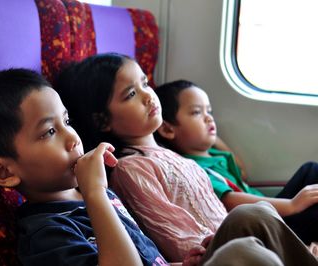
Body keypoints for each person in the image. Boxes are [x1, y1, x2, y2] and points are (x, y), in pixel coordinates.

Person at [55, 52, 318, 265]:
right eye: (131, 95)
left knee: (256, 212)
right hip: (204, 253)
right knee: (250, 220)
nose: (148, 96)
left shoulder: (171, 153)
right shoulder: (131, 169)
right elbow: (171, 234)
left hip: (227, 235)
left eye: (145, 84)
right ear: (103, 121)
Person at [0, 69, 168, 266]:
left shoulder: (98, 194)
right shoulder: (46, 234)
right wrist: (95, 193)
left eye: (66, 122)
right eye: (49, 131)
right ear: (5, 172)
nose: (73, 138)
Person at [154, 79, 318, 246]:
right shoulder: (195, 169)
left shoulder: (212, 155)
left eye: (209, 111)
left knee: (311, 169)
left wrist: (213, 138)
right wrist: (291, 205)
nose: (209, 118)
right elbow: (230, 201)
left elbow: (241, 171)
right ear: (168, 129)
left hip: (270, 210)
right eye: (197, 112)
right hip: (264, 223)